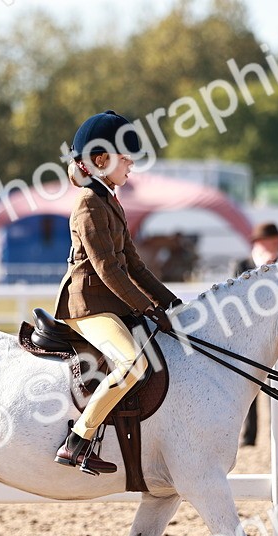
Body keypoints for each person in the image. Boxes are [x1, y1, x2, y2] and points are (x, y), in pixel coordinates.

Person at [52, 110, 180, 475]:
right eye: (126, 159)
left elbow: (135, 266)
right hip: (88, 305)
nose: (131, 166)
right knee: (132, 363)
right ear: (100, 160)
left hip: (109, 303)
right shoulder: (89, 204)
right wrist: (145, 308)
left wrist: (170, 303)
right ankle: (77, 441)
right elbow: (108, 268)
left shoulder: (110, 200)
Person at [230, 221, 278, 447]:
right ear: (260, 242)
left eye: (277, 241)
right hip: (247, 335)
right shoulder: (242, 265)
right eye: (272, 240)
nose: (277, 244)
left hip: (273, 335)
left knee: (277, 385)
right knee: (248, 386)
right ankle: (248, 435)